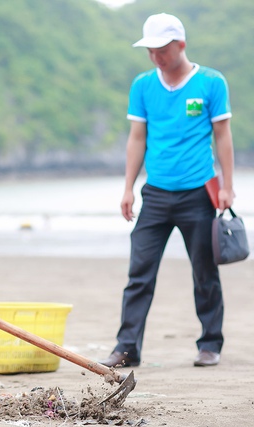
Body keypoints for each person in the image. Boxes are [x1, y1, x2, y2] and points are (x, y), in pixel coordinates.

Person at [99, 13, 234, 369]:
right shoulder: (143, 85)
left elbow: (223, 136)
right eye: (150, 50)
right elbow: (137, 139)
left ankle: (210, 343)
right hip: (155, 194)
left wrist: (228, 187)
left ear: (181, 45)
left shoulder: (211, 83)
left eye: (162, 49)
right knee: (139, 273)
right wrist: (128, 188)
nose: (156, 56)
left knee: (204, 271)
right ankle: (127, 347)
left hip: (198, 193)